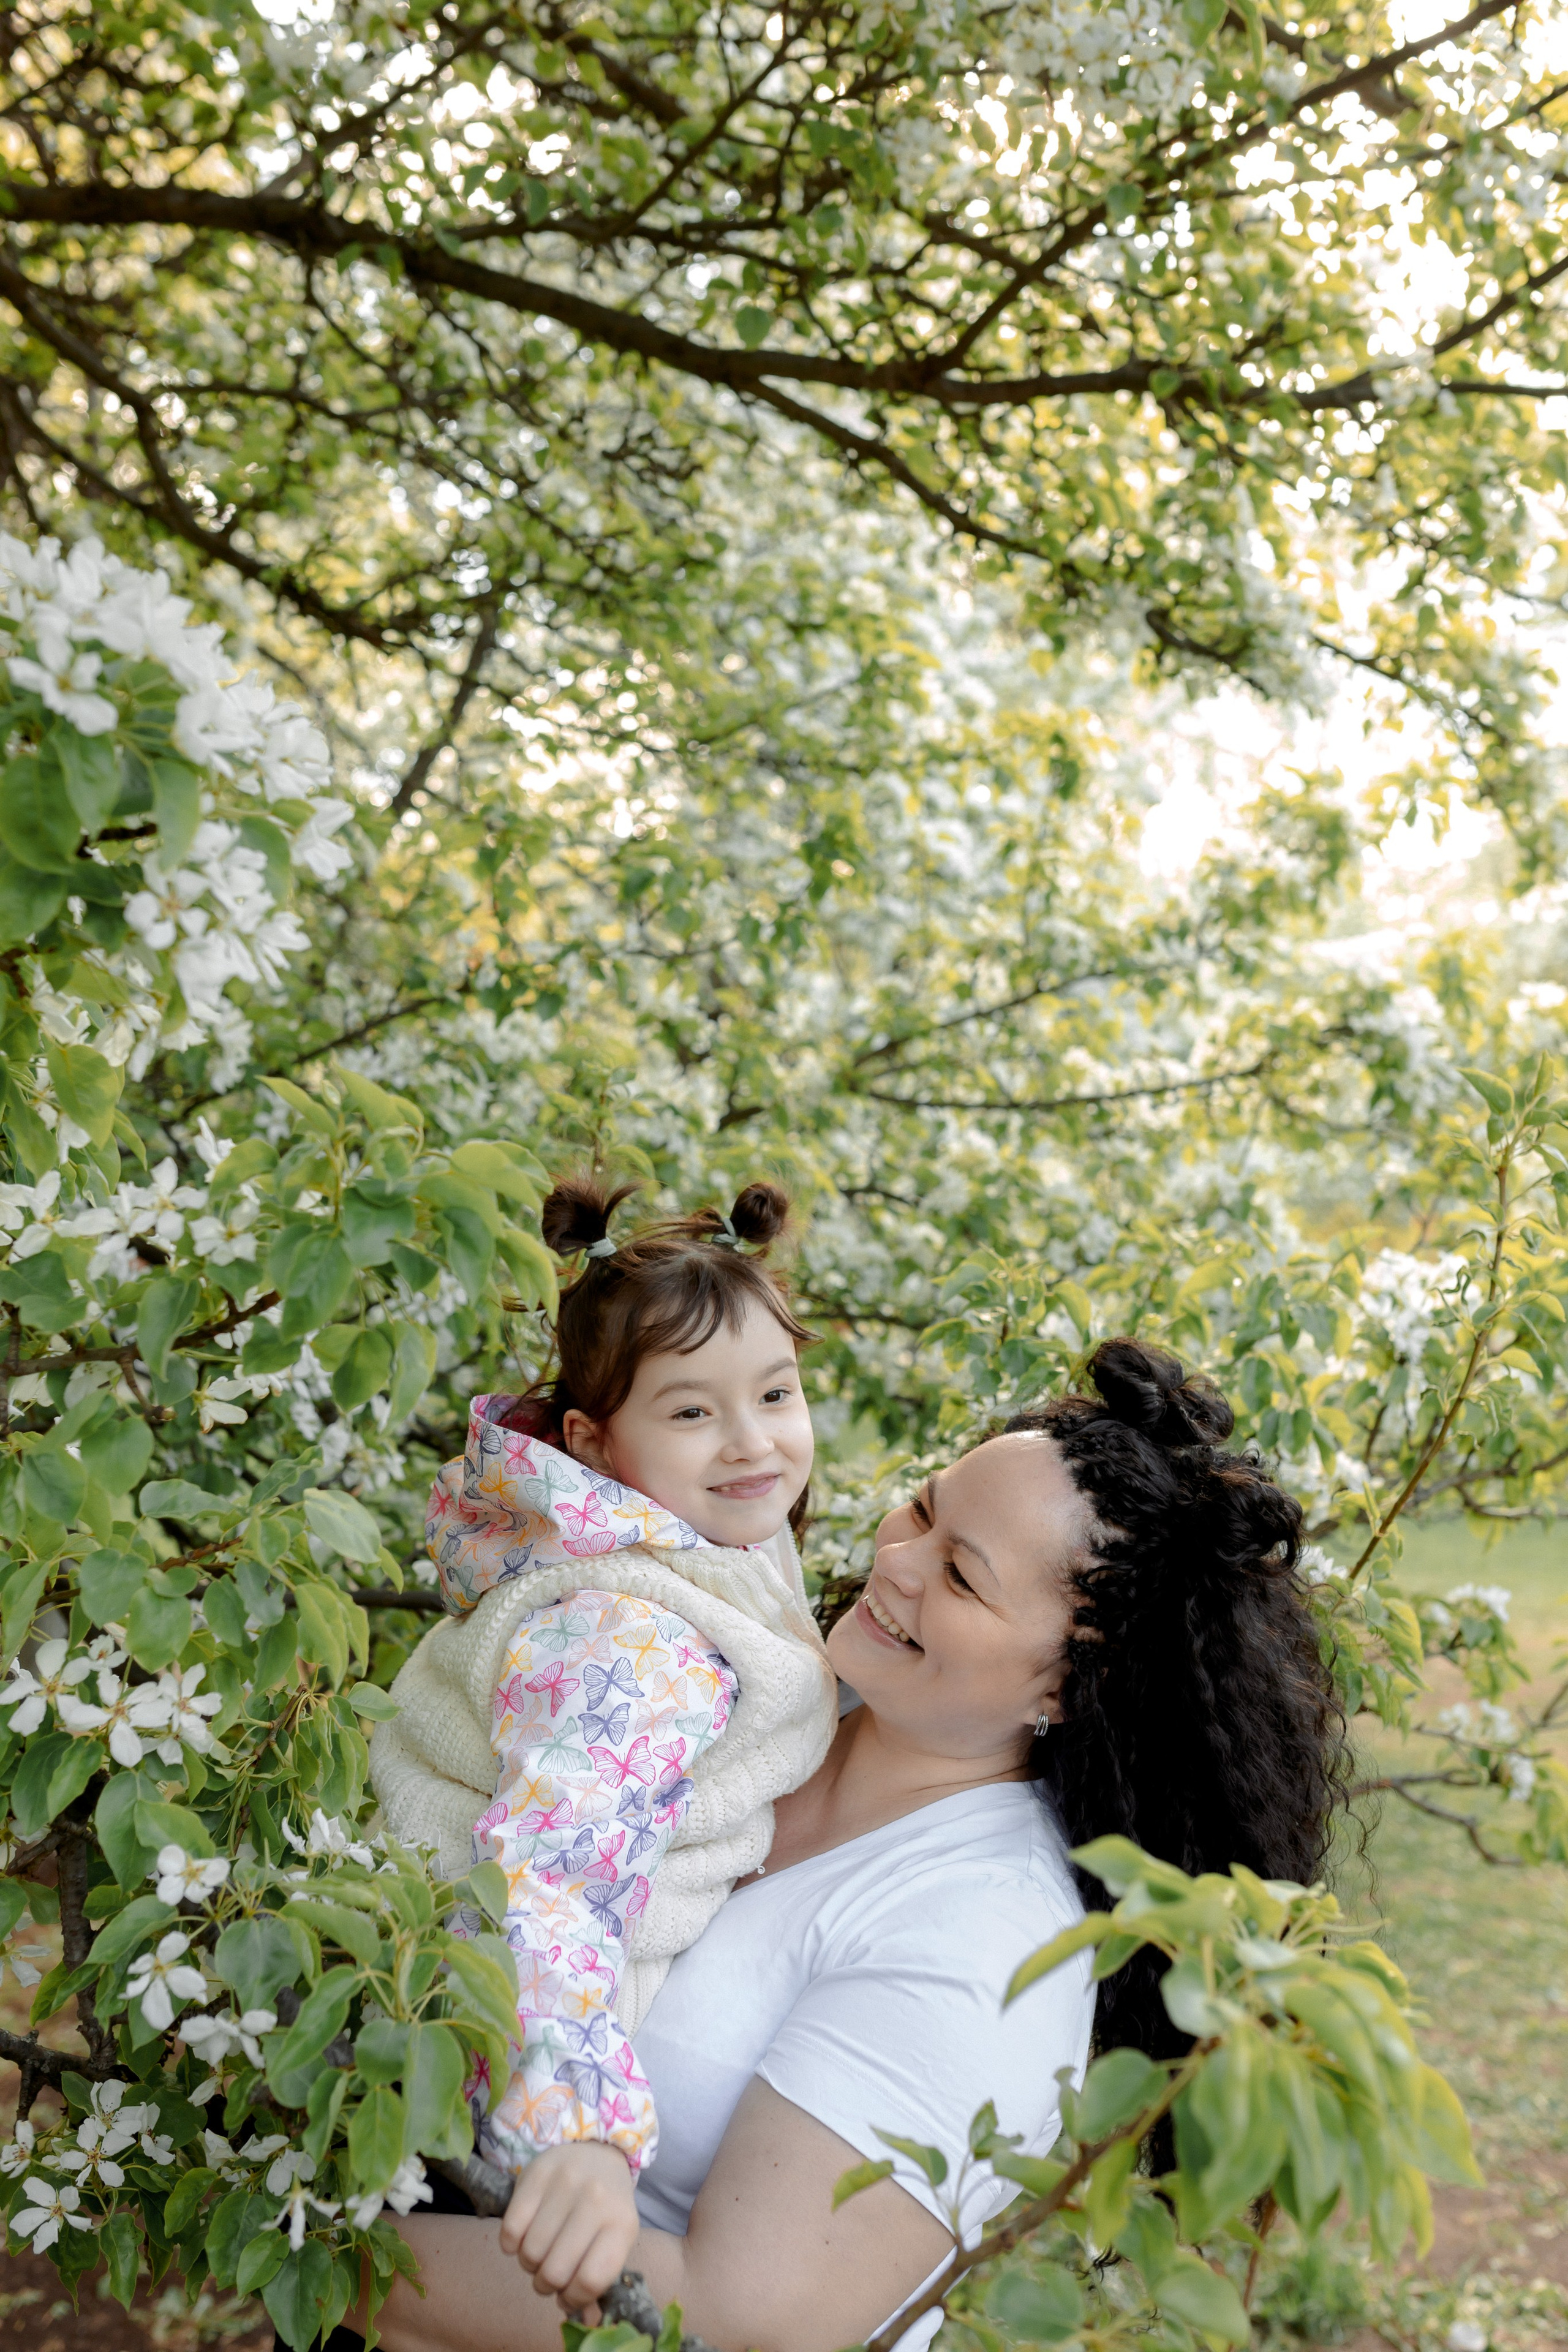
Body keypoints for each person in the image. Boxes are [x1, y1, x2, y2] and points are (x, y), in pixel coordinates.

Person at [350, 1337, 1346, 2352]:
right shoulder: (761, 1692)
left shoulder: (984, 1938)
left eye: (960, 1576)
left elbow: (739, 2324)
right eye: (922, 1506)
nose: (897, 1559)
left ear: (1067, 1685)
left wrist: (326, 2252)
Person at [369, 1177, 840, 2288]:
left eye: (775, 1394)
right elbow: (550, 1877)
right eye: (690, 1412)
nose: (752, 1444)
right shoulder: (629, 1637)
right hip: (497, 2085)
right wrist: (577, 2130)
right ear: (595, 1440)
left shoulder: (696, 1546)